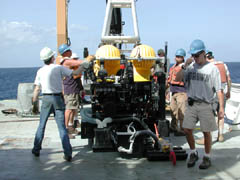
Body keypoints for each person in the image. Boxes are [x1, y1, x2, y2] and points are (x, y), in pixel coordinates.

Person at [31, 47, 88, 161]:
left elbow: (37, 89)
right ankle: (67, 153)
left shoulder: (40, 71)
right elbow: (74, 74)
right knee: (62, 127)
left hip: (46, 99)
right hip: (57, 98)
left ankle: (36, 149)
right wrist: (83, 66)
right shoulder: (58, 68)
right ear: (52, 58)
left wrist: (34, 104)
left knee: (41, 126)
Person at [176, 39, 224, 169]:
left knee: (206, 132)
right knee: (186, 129)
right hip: (192, 103)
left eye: (197, 55)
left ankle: (207, 157)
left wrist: (221, 108)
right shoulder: (190, 67)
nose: (195, 58)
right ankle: (193, 152)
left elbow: (219, 90)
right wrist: (185, 66)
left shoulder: (212, 69)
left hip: (205, 104)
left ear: (204, 53)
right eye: (193, 55)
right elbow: (177, 78)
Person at [196, 50, 232, 144]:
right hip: (223, 92)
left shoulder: (208, 66)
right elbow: (228, 79)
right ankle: (220, 135)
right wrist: (228, 91)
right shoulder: (223, 65)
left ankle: (207, 138)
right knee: (221, 114)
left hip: (212, 94)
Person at [167, 48, 187, 136]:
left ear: (183, 58)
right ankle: (173, 127)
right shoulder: (173, 67)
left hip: (182, 92)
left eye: (179, 57)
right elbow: (169, 79)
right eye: (176, 56)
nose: (177, 58)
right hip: (173, 92)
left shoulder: (185, 67)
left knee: (181, 112)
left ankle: (182, 130)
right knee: (173, 110)